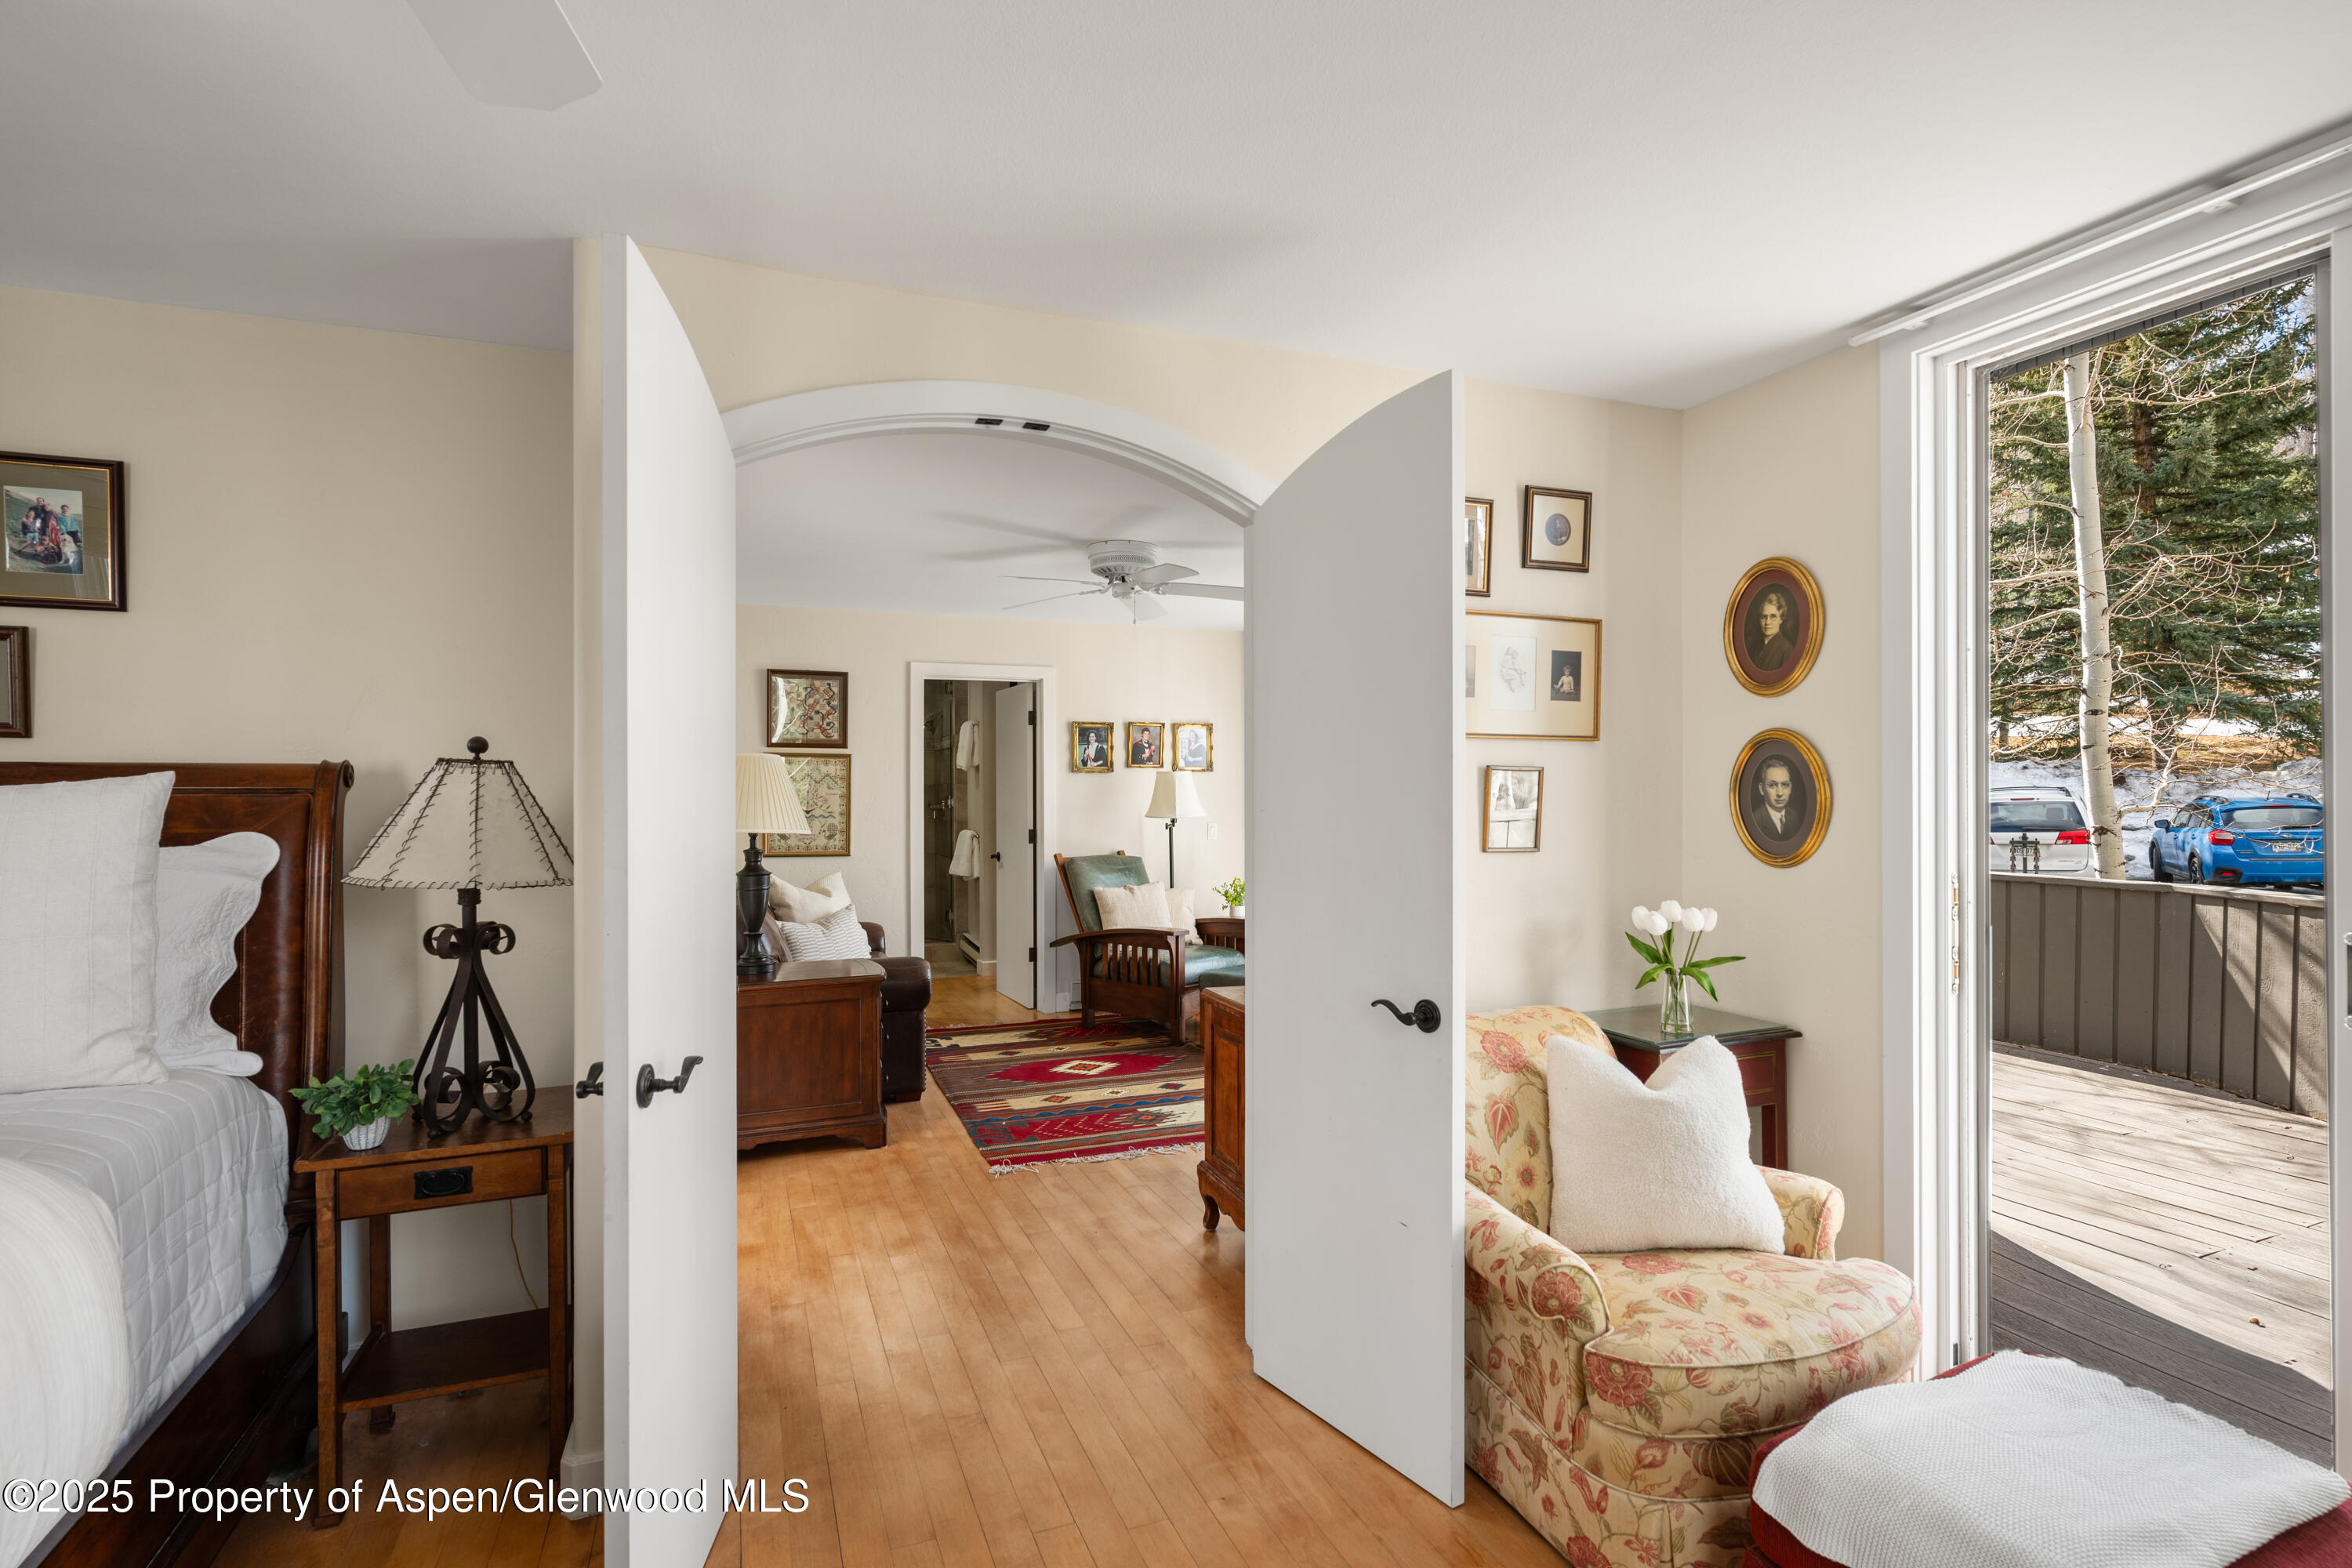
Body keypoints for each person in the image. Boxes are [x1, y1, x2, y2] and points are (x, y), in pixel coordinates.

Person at [1749, 757, 1801, 844]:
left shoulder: (1795, 816)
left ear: (1790, 788)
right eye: (1772, 785)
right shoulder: (1755, 821)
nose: (1780, 793)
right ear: (1762, 789)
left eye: (1785, 785)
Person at [1748, 587, 1795, 672]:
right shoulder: (1755, 647)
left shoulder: (1787, 650)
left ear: (1781, 619)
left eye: (1773, 616)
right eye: (1764, 617)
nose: (1767, 622)